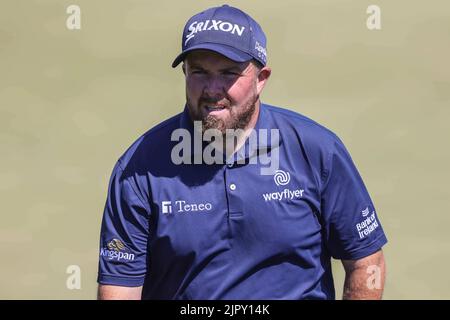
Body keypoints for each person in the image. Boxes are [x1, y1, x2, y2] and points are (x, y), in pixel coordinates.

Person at [97, 4, 387, 300]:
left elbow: (366, 262)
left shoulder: (317, 150)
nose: (212, 89)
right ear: (184, 72)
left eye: (228, 73)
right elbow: (120, 289)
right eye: (199, 72)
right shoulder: (139, 167)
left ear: (261, 78)